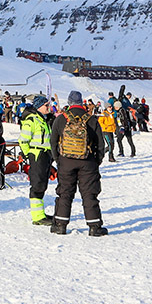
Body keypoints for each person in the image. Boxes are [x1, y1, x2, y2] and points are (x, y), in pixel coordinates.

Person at [49, 90, 107, 236]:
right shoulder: (91, 119)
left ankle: (60, 225)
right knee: (89, 194)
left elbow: (53, 141)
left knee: (65, 193)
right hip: (88, 162)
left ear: (69, 102)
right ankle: (94, 227)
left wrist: (58, 160)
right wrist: (96, 161)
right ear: (82, 102)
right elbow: (100, 144)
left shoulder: (61, 119)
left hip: (66, 161)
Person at [18, 95, 54, 225]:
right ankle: (37, 217)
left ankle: (40, 213)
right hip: (37, 154)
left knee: (42, 184)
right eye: (46, 105)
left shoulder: (43, 119)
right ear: (39, 106)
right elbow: (23, 140)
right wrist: (29, 155)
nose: (48, 108)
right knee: (37, 184)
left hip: (45, 154)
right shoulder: (31, 120)